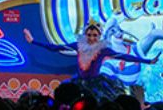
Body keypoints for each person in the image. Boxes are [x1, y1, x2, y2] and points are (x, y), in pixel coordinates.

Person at [23, 21, 155, 101]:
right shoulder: (78, 45)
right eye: (89, 35)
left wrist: (147, 61)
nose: (92, 38)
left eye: (95, 35)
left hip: (96, 83)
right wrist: (34, 41)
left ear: (99, 36)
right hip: (80, 81)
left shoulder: (103, 50)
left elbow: (124, 56)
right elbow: (55, 48)